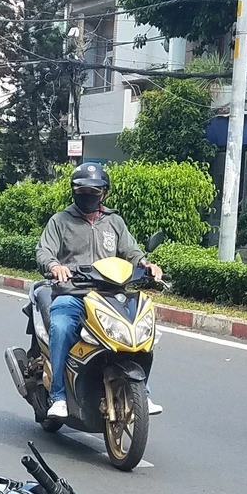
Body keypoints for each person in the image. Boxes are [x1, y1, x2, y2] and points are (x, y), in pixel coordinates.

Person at [35, 162, 164, 421]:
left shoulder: (114, 221)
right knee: (61, 328)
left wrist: (146, 264)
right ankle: (58, 396)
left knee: (138, 330)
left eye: (93, 192)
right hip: (73, 294)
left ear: (104, 193)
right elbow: (44, 251)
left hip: (110, 295)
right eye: (82, 191)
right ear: (74, 191)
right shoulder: (60, 221)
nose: (88, 196)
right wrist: (54, 266)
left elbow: (131, 251)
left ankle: (143, 392)